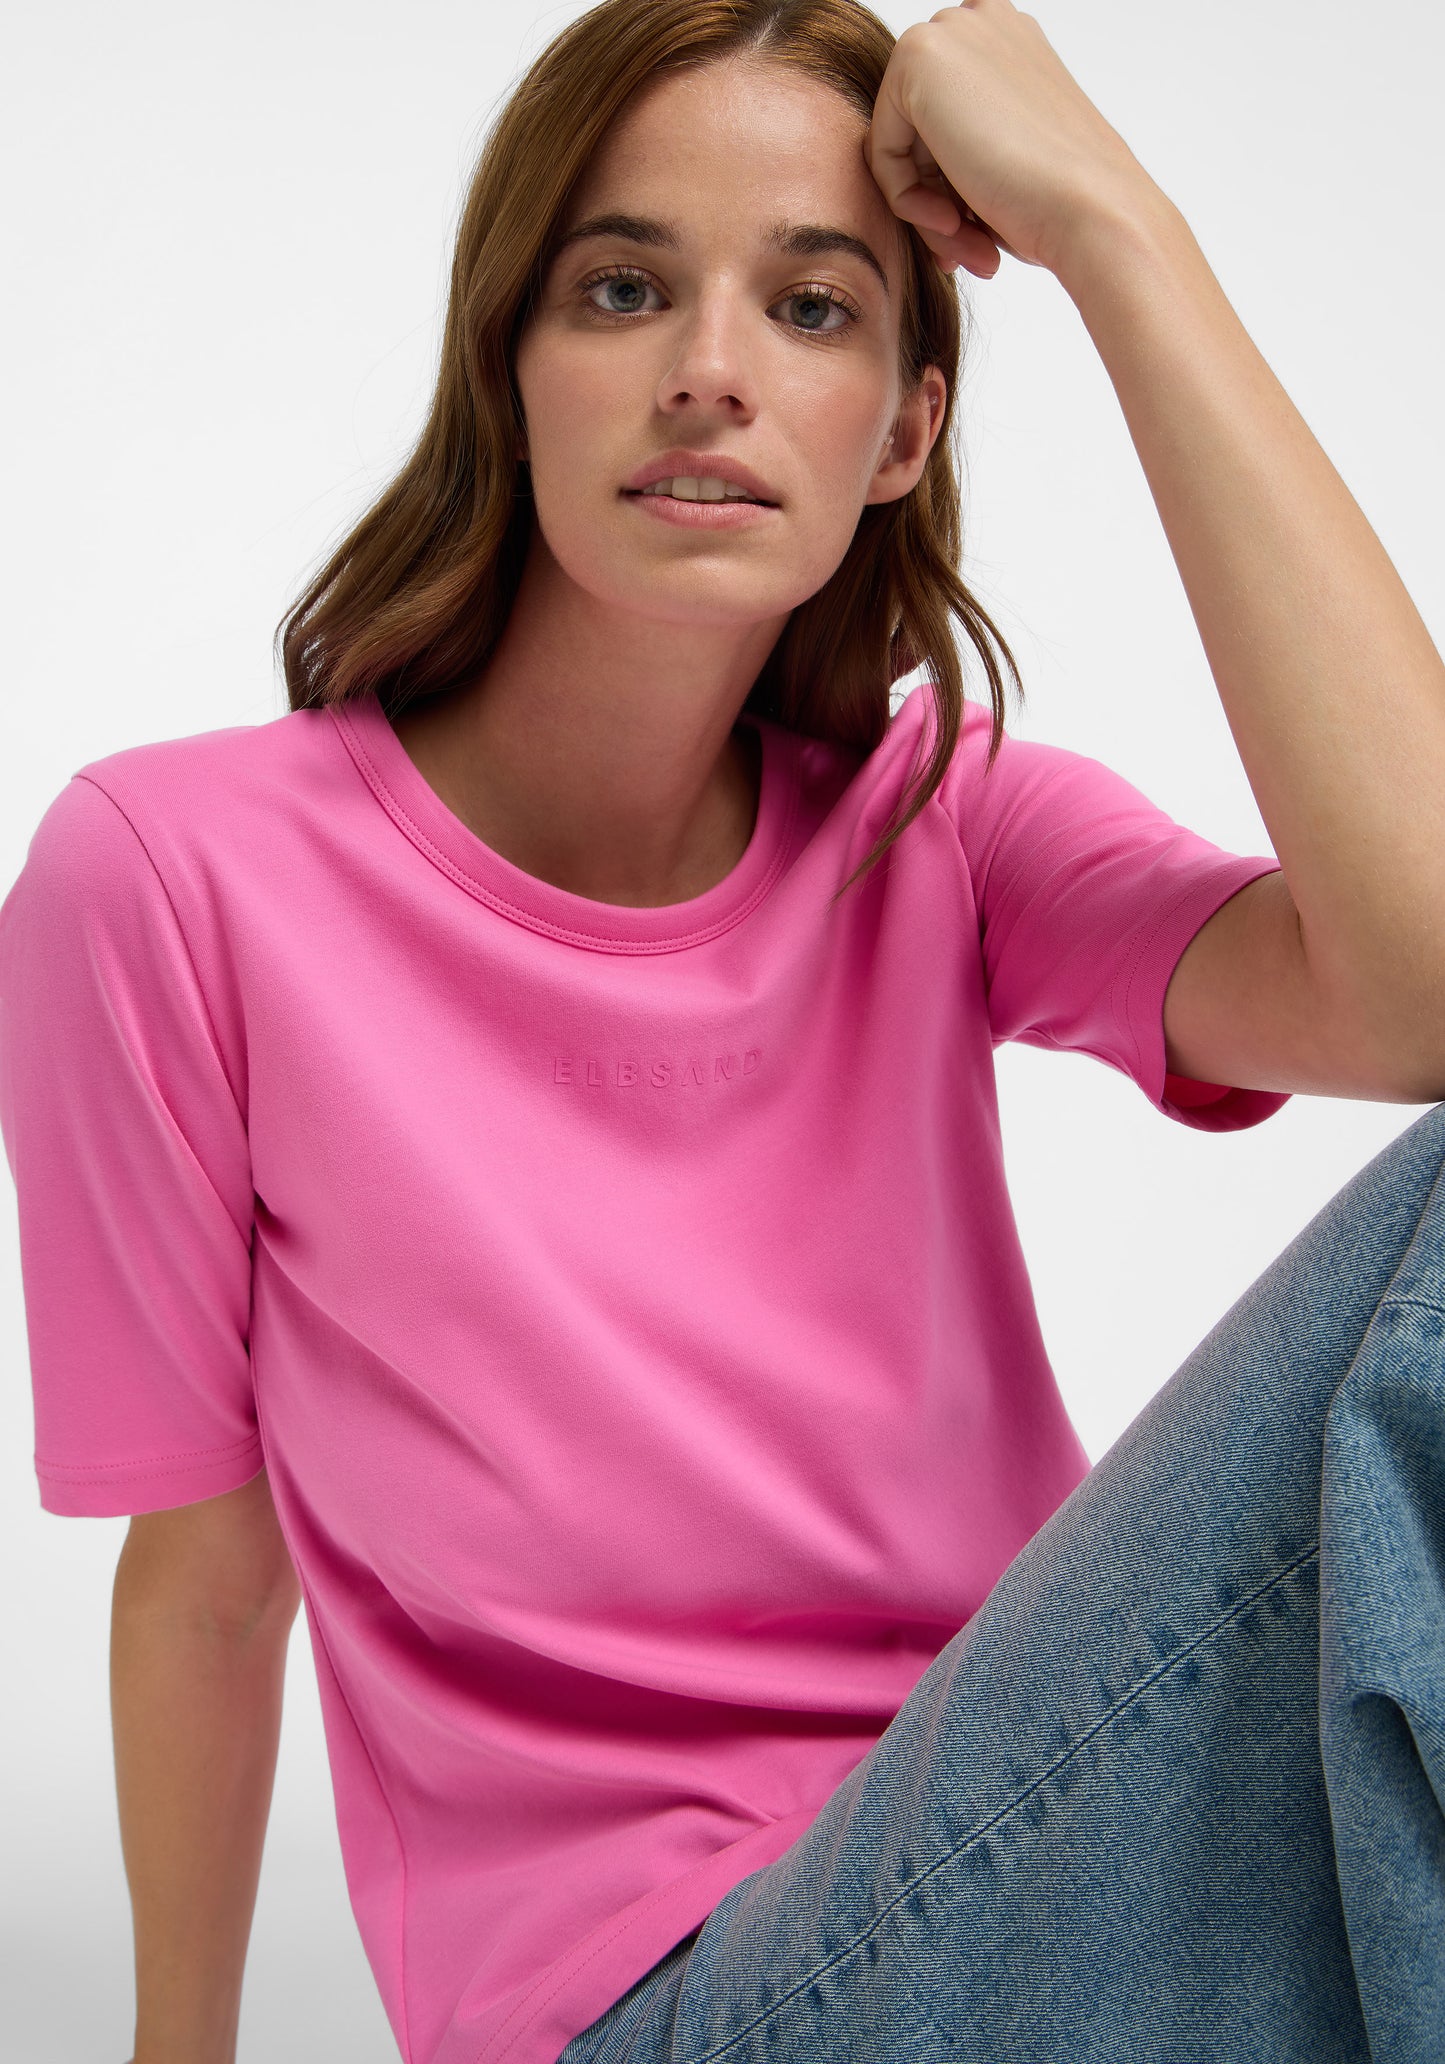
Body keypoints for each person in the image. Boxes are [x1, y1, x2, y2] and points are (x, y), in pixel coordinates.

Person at [2, 1, 1443, 2061]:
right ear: (508, 377)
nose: (708, 366)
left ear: (904, 434)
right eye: (621, 288)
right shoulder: (173, 878)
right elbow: (213, 1576)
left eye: (813, 304)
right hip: (683, 2003)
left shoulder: (940, 829)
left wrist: (1115, 229)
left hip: (1087, 1901)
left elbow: (1421, 985)